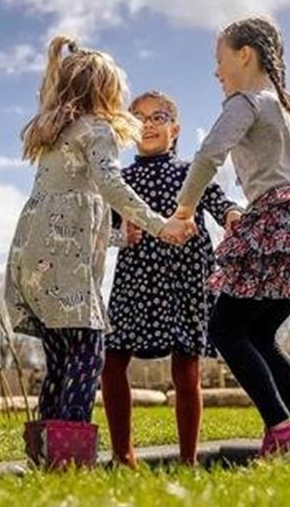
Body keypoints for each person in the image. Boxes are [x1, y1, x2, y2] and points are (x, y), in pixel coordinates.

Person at [163, 17, 290, 458]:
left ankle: (282, 431)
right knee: (259, 335)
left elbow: (208, 155)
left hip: (277, 226)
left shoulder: (245, 102)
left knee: (224, 328)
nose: (216, 72)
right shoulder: (286, 108)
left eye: (219, 60)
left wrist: (183, 210)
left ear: (244, 55)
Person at [4, 36, 195, 466]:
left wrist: (118, 238)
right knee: (89, 355)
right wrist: (160, 225)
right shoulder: (98, 131)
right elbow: (111, 188)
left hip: (33, 263)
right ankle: (69, 460)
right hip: (67, 272)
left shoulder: (54, 133)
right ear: (105, 91)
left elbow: (74, 210)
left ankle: (44, 456)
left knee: (59, 363)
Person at [102, 90, 242, 467]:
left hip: (185, 276)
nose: (147, 124)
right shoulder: (119, 179)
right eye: (139, 117)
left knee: (186, 366)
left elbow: (217, 200)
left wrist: (230, 215)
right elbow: (102, 227)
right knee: (112, 359)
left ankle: (187, 459)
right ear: (127, 129)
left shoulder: (189, 170)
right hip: (136, 276)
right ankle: (122, 454)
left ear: (175, 128)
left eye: (157, 116)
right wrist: (119, 234)